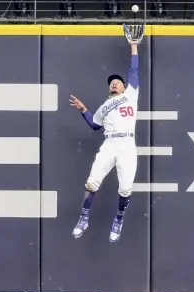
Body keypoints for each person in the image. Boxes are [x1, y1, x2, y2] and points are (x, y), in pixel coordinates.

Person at [69, 41, 139, 243]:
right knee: (91, 183)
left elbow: (134, 70)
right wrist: (84, 110)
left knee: (125, 189)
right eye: (111, 82)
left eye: (118, 81)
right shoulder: (103, 107)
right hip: (109, 144)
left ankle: (118, 219)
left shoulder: (131, 95)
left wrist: (133, 47)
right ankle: (84, 217)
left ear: (124, 86)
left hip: (126, 145)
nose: (114, 83)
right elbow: (94, 125)